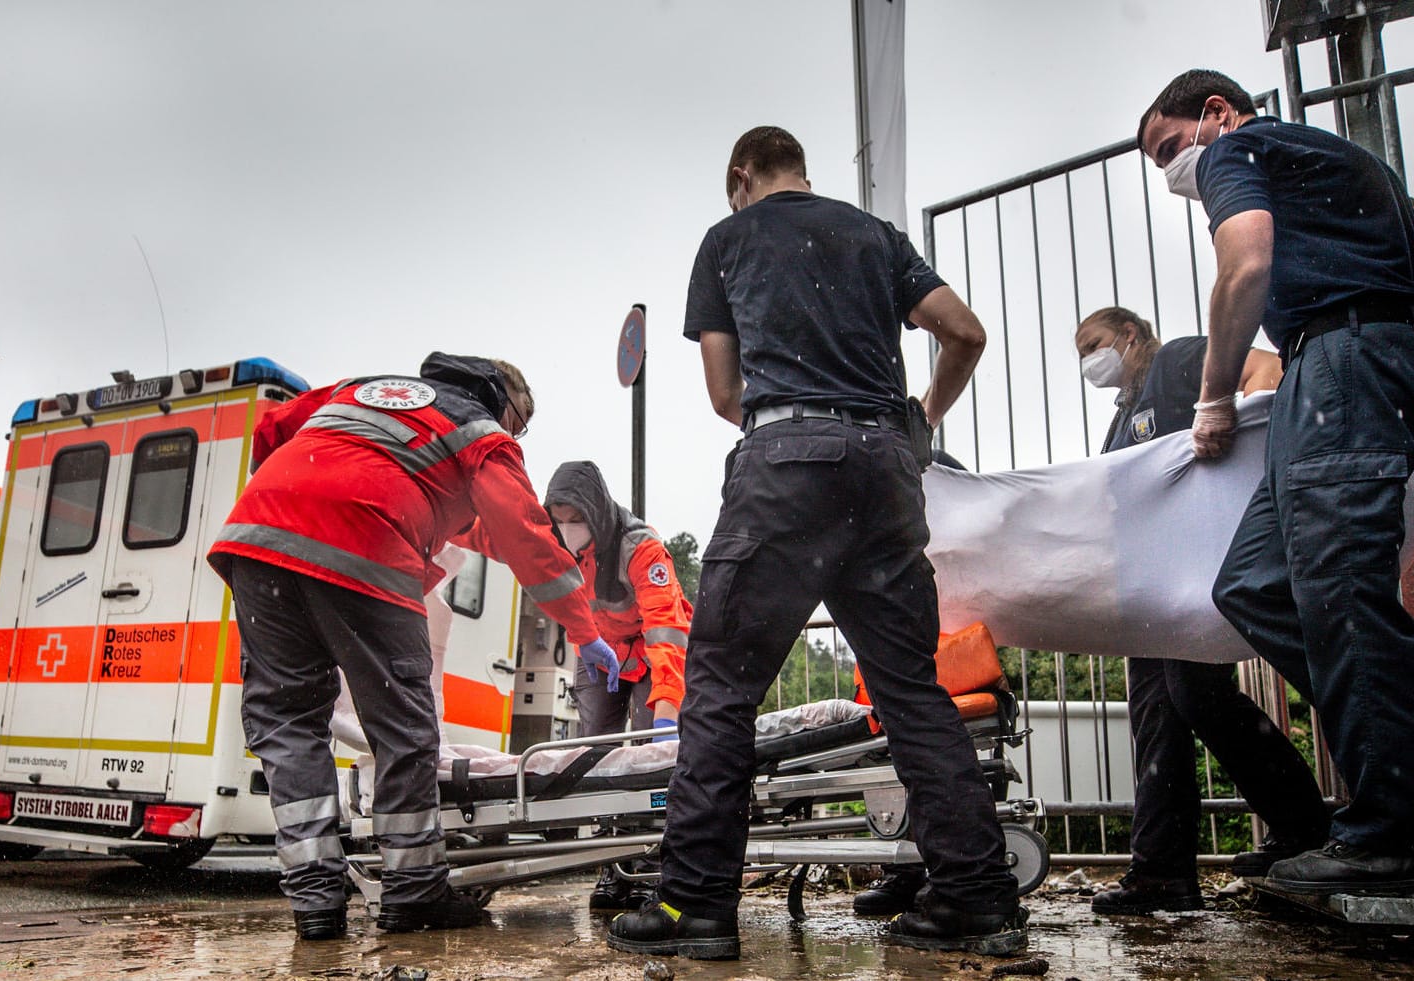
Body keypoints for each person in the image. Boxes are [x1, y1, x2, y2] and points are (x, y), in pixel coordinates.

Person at [607, 125, 1024, 959]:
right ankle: (979, 899)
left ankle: (695, 907)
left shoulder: (728, 239)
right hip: (884, 469)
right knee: (911, 690)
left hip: (786, 463)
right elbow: (967, 332)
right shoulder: (874, 237)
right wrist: (922, 418)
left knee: (722, 688)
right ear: (801, 168)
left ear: (740, 178)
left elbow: (728, 395)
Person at [1139, 70, 1414, 894]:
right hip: (1351, 358)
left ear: (1215, 112)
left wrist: (1215, 394)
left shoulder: (1237, 147)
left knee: (1340, 584)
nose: (1172, 169)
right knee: (1255, 584)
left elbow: (1244, 267)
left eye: (1169, 147)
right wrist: (1398, 332)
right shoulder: (1335, 158)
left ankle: (1396, 835)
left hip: (1343, 356)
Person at [207, 353, 619, 940]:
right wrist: (584, 630)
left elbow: (270, 429)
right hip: (365, 543)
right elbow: (526, 537)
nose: (515, 433)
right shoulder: (481, 432)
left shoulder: (361, 388)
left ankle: (316, 903)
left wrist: (302, 497)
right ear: (501, 400)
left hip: (259, 540)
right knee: (402, 729)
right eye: (519, 422)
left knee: (288, 723)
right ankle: (413, 892)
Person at [1073, 306, 1330, 914]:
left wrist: (1238, 452)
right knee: (1156, 715)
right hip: (1149, 581)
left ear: (1130, 334)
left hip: (1194, 567)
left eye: (1095, 343)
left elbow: (1264, 372)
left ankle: (1304, 827)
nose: (1088, 360)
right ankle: (1162, 870)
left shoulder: (1180, 359)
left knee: (1195, 693)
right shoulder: (1123, 412)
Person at [544, 459, 692, 911]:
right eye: (560, 521)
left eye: (577, 521)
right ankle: (613, 864)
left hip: (652, 652)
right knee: (599, 757)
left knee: (647, 761)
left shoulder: (640, 549)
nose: (567, 530)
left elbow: (666, 630)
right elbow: (561, 600)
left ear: (597, 512)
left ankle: (648, 865)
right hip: (601, 653)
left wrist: (666, 712)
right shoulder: (554, 544)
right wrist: (584, 643)